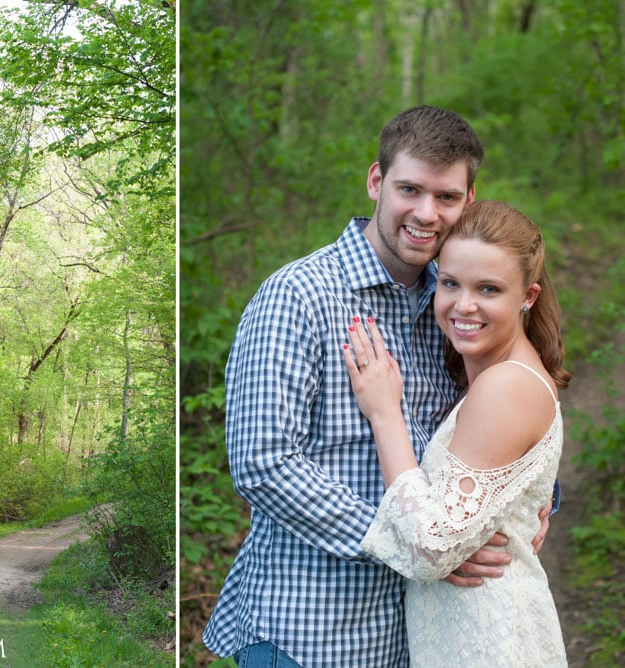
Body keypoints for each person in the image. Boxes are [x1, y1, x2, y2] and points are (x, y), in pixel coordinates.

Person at [202, 106, 553, 667]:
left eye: (446, 197)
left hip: (418, 638)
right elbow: (263, 463)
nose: (425, 213)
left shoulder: (457, 301)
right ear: (375, 181)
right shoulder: (298, 296)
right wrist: (422, 545)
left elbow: (504, 415)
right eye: (409, 189)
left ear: (468, 200)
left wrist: (532, 500)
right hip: (311, 634)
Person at [345, 200, 568, 665]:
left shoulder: (506, 384)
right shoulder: (497, 376)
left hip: (489, 639)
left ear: (527, 296)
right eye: (450, 283)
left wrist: (386, 414)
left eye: (488, 289)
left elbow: (431, 546)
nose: (463, 305)